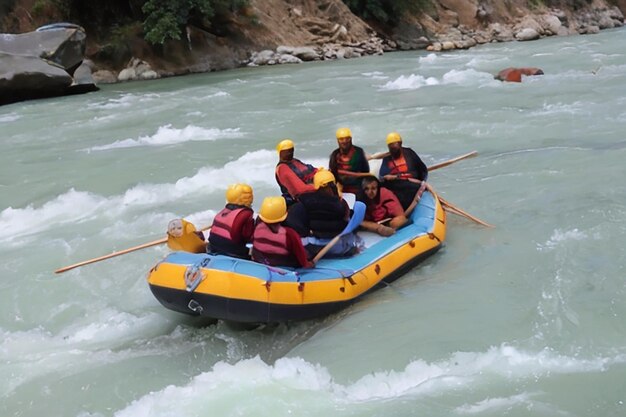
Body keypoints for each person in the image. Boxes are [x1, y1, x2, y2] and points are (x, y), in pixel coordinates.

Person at [299, 170, 362, 258]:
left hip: (314, 246)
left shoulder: (304, 200)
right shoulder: (341, 203)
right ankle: (352, 250)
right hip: (337, 246)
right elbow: (347, 221)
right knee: (359, 208)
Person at [251, 196, 313, 268]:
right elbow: (302, 257)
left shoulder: (257, 227)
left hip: (260, 263)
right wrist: (308, 264)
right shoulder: (290, 234)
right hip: (285, 268)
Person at [379, 132, 429, 210]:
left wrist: (422, 183)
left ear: (400, 143)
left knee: (411, 188)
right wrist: (385, 177)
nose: (392, 147)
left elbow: (421, 170)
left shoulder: (409, 154)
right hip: (396, 185)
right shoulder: (387, 158)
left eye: (394, 144)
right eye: (390, 145)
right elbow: (382, 176)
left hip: (411, 184)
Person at [207, 183, 255, 259]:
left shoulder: (225, 210)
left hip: (212, 247)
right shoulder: (246, 213)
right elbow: (248, 236)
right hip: (232, 251)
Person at [274, 139, 318, 205]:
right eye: (287, 151)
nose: (290, 153)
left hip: (310, 193)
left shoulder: (294, 161)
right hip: (297, 201)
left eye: (292, 150)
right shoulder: (282, 168)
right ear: (280, 152)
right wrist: (319, 186)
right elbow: (300, 189)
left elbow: (311, 170)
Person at [328, 127, 370, 194]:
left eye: (347, 138)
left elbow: (366, 171)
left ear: (351, 139)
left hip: (358, 188)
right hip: (341, 189)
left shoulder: (359, 152)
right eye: (341, 139)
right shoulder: (334, 155)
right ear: (338, 140)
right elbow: (332, 174)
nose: (345, 141)